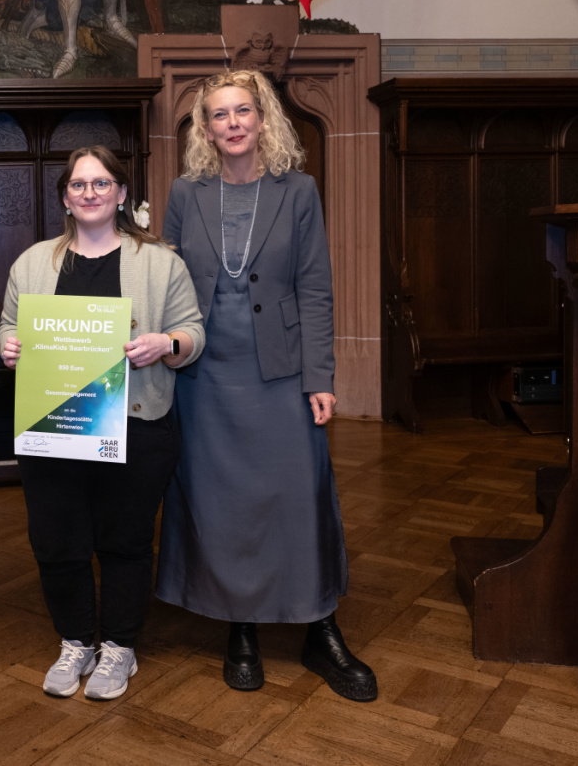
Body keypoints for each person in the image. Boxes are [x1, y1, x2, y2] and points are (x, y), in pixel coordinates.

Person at [156, 69, 378, 702]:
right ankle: (242, 628)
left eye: (243, 111)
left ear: (263, 119)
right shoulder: (184, 191)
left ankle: (319, 626)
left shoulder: (299, 190)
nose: (232, 124)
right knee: (220, 502)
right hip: (203, 374)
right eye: (219, 114)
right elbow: (169, 281)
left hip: (280, 372)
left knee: (298, 494)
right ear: (204, 127)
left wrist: (320, 376)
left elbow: (315, 288)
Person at [0, 145, 204, 701]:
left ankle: (118, 648)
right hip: (54, 426)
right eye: (79, 184)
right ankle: (74, 643)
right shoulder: (32, 263)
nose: (89, 193)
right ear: (64, 195)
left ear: (120, 192)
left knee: (126, 542)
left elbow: (193, 332)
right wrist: (8, 347)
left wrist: (167, 343)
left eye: (102, 182)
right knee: (57, 541)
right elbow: (8, 329)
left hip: (137, 424)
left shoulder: (161, 262)